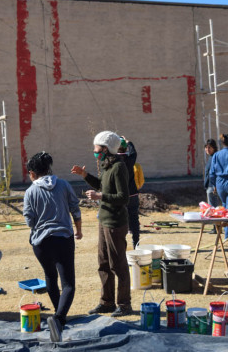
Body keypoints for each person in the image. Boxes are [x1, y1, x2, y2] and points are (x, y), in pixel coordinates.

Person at [23, 151, 83, 342]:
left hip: (41, 243)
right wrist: (78, 230)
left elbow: (29, 221)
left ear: (33, 172)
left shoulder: (30, 191)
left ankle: (59, 319)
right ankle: (58, 319)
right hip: (63, 238)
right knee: (68, 285)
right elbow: (75, 208)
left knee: (50, 276)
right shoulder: (64, 185)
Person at [71, 130, 132, 317]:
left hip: (115, 222)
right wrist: (85, 175)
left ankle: (124, 304)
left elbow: (124, 197)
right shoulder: (106, 166)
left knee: (118, 264)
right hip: (103, 221)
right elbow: (102, 186)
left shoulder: (119, 167)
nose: (94, 151)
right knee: (103, 263)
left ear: (106, 148)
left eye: (97, 148)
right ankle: (107, 303)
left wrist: (101, 197)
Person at [117, 136, 141, 247]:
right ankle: (136, 243)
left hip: (120, 195)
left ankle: (121, 245)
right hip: (133, 194)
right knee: (134, 220)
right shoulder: (130, 159)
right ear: (125, 149)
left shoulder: (113, 160)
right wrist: (129, 142)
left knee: (120, 221)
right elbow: (134, 152)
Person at [203, 139, 219, 234]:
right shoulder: (211, 157)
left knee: (213, 207)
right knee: (212, 207)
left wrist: (214, 186)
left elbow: (215, 173)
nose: (207, 149)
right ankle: (215, 226)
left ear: (214, 148)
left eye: (209, 147)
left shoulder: (215, 157)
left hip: (213, 186)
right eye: (206, 147)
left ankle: (216, 227)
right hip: (209, 185)